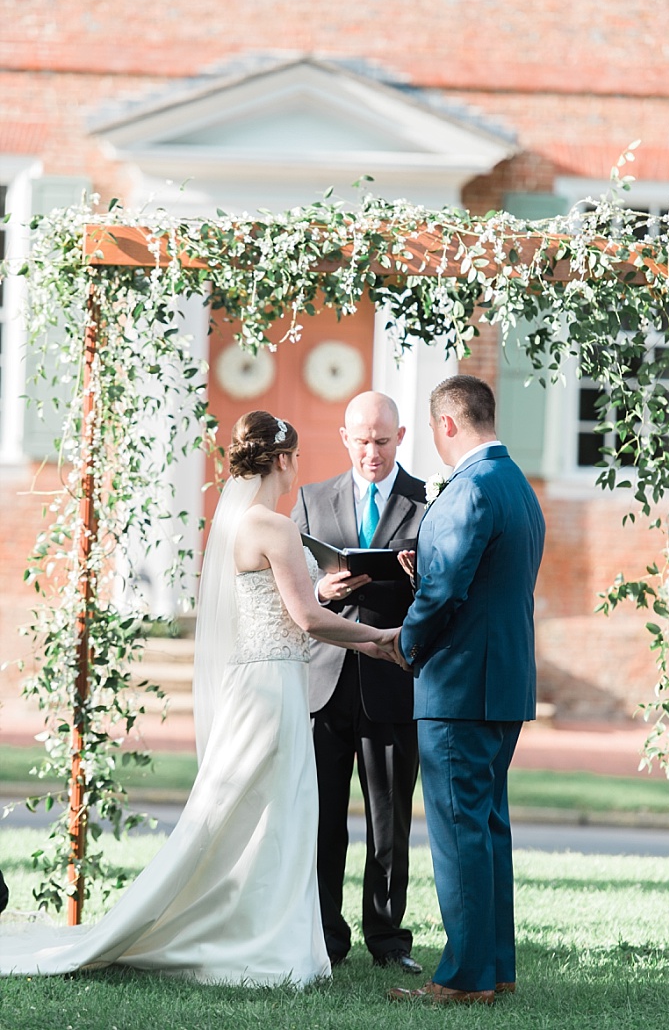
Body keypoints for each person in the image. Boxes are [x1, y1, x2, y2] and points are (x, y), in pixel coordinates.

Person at [0, 411, 400, 985]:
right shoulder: (277, 525)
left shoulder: (236, 522)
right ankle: (267, 944)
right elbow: (308, 620)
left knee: (243, 811)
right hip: (274, 688)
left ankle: (258, 932)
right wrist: (380, 640)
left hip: (253, 682)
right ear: (282, 460)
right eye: (295, 460)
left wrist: (319, 592)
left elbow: (281, 602)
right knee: (273, 813)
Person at [388, 376, 545, 1006]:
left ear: (447, 423)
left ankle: (461, 978)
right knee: (487, 829)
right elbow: (480, 577)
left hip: (460, 687)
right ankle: (495, 968)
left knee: (459, 833)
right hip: (503, 681)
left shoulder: (470, 486)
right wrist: (425, 562)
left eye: (433, 429)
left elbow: (445, 593)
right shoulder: (516, 486)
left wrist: (404, 643)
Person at [291, 392, 425, 973]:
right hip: (325, 683)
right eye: (362, 440)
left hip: (392, 680)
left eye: (382, 440)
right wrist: (322, 593)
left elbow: (445, 593)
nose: (372, 451)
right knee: (322, 819)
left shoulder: (429, 502)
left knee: (389, 821)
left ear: (401, 438)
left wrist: (420, 583)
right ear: (345, 438)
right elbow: (291, 588)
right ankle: (326, 935)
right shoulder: (310, 500)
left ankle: (389, 939)